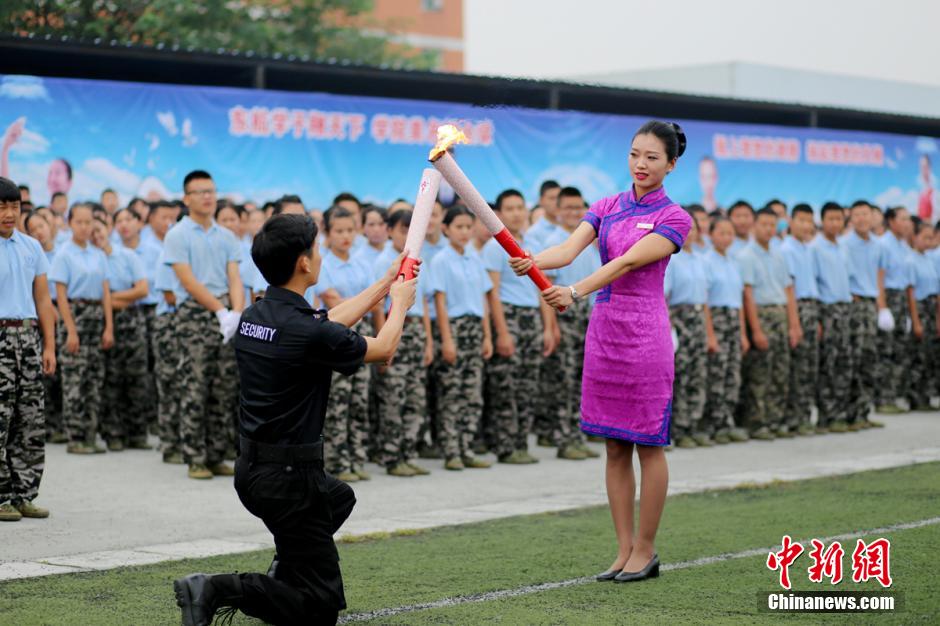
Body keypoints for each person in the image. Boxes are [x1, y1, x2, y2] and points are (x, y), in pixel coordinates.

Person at [173, 213, 418, 626]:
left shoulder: (255, 315)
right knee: (318, 610)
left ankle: (285, 568)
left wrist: (385, 284)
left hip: (253, 471)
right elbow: (384, 348)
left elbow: (326, 324)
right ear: (304, 262)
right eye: (316, 249)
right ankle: (216, 587)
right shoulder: (306, 332)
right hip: (290, 481)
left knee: (338, 498)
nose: (319, 256)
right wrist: (402, 304)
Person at [510, 120, 692, 582]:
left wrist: (574, 292)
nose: (640, 164)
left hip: (645, 333)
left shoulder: (675, 218)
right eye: (634, 154)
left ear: (671, 165)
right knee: (614, 445)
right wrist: (532, 260)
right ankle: (623, 548)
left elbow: (627, 262)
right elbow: (568, 250)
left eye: (652, 157)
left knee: (648, 443)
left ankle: (646, 548)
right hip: (605, 332)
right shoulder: (607, 206)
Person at [163, 170, 244, 479]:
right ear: (187, 198)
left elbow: (234, 277)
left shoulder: (227, 236)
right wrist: (220, 310)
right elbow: (188, 281)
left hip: (226, 313)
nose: (208, 197)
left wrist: (236, 311)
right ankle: (195, 457)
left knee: (224, 386)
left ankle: (216, 454)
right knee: (195, 384)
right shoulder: (178, 234)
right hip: (195, 314)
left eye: (211, 191)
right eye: (200, 192)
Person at [483, 190, 556, 464]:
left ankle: (521, 444)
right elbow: (492, 293)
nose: (516, 214)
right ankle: (505, 446)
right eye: (509, 209)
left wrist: (548, 327)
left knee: (528, 384)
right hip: (509, 315)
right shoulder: (495, 247)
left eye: (519, 208)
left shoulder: (531, 244)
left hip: (531, 316)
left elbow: (542, 288)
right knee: (507, 386)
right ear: (499, 214)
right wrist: (502, 332)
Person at [0, 176, 56, 522]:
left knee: (30, 418)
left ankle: (24, 493)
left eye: (14, 206)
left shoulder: (32, 247)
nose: (9, 213)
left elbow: (43, 299)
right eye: (2, 207)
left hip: (28, 337)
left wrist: (49, 345)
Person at [308, 207, 377, 482]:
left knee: (359, 399)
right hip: (336, 334)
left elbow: (375, 302)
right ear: (327, 232)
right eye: (339, 231)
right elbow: (333, 300)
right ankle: (337, 460)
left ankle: (357, 458)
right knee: (338, 401)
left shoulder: (362, 263)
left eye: (350, 230)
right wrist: (364, 301)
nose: (345, 236)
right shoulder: (323, 264)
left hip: (362, 332)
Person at [429, 206, 494, 471]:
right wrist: (447, 340)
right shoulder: (440, 260)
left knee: (472, 392)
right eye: (459, 227)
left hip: (474, 328)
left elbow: (483, 299)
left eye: (468, 226)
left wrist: (487, 336)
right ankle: (451, 451)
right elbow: (440, 302)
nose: (465, 232)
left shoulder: (474, 257)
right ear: (446, 229)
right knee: (451, 392)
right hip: (454, 328)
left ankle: (467, 447)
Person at [370, 209, 434, 477]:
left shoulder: (418, 260)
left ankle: (408, 453)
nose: (408, 236)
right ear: (390, 231)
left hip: (415, 329)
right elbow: (377, 306)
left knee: (414, 396)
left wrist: (428, 341)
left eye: (412, 230)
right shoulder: (384, 262)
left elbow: (424, 302)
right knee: (392, 396)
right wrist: (381, 342)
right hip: (394, 327)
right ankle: (391, 456)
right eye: (402, 230)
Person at [49, 203, 114, 454]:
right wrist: (70, 330)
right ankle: (75, 437)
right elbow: (61, 296)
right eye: (79, 222)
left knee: (94, 379)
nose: (85, 227)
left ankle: (90, 434)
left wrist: (109, 327)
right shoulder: (64, 254)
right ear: (70, 223)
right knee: (75, 380)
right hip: (75, 315)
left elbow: (106, 293)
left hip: (96, 318)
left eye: (89, 222)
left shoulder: (98, 254)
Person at [542, 187, 601, 459]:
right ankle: (563, 439)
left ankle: (577, 435)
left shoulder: (589, 243)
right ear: (558, 210)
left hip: (586, 314)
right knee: (564, 380)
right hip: (563, 313)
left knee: (581, 377)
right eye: (568, 207)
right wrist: (551, 326)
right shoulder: (555, 242)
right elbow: (545, 289)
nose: (573, 212)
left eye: (578, 207)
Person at [738, 208, 802, 440]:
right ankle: (757, 422)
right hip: (761, 314)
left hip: (780, 313)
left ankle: (776, 419)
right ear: (755, 225)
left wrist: (794, 324)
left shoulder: (778, 254)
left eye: (772, 225)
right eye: (763, 224)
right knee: (760, 372)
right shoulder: (746, 255)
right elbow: (747, 294)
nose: (768, 229)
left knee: (780, 370)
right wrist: (756, 330)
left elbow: (788, 290)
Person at [89, 216, 151, 451]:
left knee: (137, 377)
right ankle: (113, 433)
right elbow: (95, 297)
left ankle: (137, 433)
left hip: (132, 322)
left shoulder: (127, 256)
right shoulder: (91, 261)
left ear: (108, 229)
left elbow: (142, 289)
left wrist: (110, 297)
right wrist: (121, 297)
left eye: (99, 230)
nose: (96, 236)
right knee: (111, 379)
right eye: (92, 233)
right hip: (104, 323)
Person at [664, 214, 716, 448]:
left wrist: (710, 333)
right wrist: (668, 328)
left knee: (697, 373)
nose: (689, 233)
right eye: (685, 229)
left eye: (693, 229)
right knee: (681, 375)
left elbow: (704, 300)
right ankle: (678, 428)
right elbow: (664, 297)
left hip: (698, 319)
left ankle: (693, 425)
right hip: (679, 319)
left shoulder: (701, 260)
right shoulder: (671, 260)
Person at [701, 217, 750, 444]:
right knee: (717, 373)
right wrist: (710, 334)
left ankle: (726, 422)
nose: (726, 237)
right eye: (721, 233)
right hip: (717, 319)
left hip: (733, 321)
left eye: (730, 233)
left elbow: (738, 301)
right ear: (711, 235)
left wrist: (742, 334)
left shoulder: (733, 262)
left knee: (732, 373)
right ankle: (713, 424)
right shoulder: (706, 261)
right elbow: (705, 301)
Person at [842, 200, 888, 429]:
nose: (862, 219)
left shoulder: (878, 245)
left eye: (866, 214)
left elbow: (879, 277)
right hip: (854, 304)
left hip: (871, 304)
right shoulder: (845, 244)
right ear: (851, 218)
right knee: (853, 358)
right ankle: (849, 413)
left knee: (869, 358)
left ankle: (863, 412)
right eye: (857, 214)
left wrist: (883, 307)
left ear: (873, 217)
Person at [812, 203, 855, 433]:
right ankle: (827, 415)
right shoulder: (815, 248)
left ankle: (841, 412)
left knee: (844, 362)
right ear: (822, 221)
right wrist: (819, 318)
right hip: (827, 309)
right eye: (831, 219)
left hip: (844, 308)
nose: (835, 223)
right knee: (828, 363)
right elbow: (814, 283)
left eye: (839, 219)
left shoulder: (843, 247)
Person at [24, 210, 65, 443]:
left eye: (42, 225)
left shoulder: (62, 253)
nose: (39, 232)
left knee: (63, 373)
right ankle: (48, 424)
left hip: (65, 314)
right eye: (33, 229)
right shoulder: (29, 254)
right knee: (46, 374)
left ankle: (62, 423)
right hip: (42, 317)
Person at [779, 204, 820, 436]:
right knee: (798, 367)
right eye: (801, 220)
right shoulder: (787, 249)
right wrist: (794, 324)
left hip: (812, 308)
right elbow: (789, 289)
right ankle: (793, 418)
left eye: (809, 221)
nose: (806, 226)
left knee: (809, 366)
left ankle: (804, 415)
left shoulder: (808, 249)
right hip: (798, 308)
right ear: (791, 222)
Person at [875, 207, 915, 414]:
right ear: (891, 221)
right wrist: (882, 308)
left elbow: (907, 282)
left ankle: (891, 396)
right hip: (888, 298)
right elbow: (879, 278)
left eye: (909, 219)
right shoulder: (883, 244)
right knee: (886, 351)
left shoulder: (904, 245)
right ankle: (882, 399)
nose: (908, 223)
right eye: (903, 219)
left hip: (901, 299)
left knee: (900, 350)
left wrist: (908, 313)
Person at [907, 221, 939, 410]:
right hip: (919, 308)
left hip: (931, 307)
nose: (928, 241)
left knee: (929, 355)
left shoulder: (929, 259)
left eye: (931, 238)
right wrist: (916, 321)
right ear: (915, 237)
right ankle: (915, 397)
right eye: (925, 237)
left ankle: (926, 397)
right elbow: (910, 292)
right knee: (918, 355)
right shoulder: (910, 260)